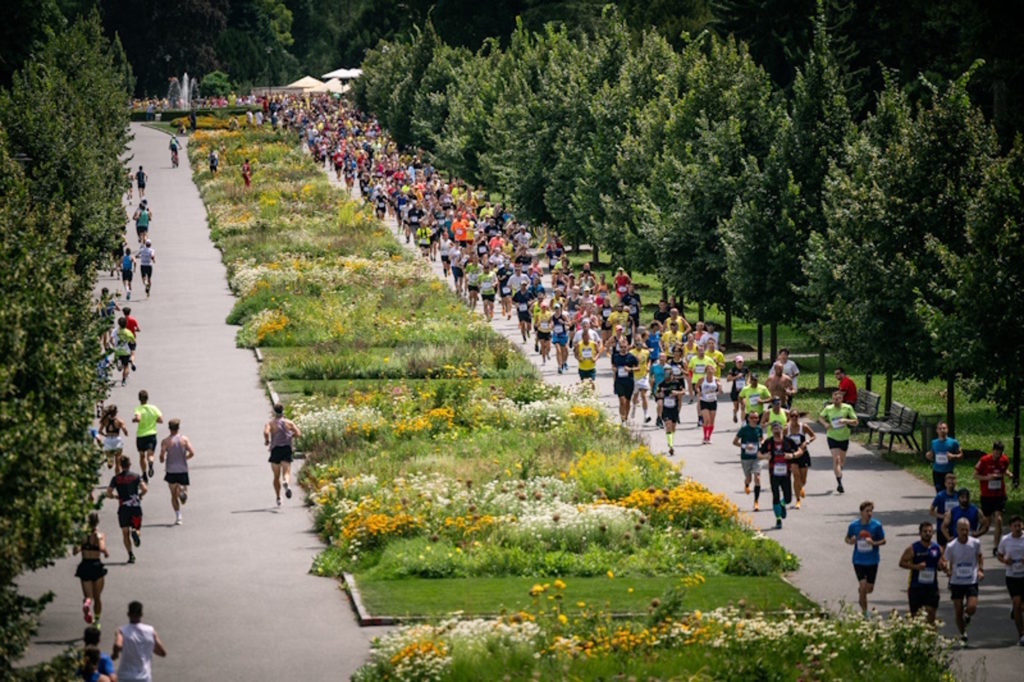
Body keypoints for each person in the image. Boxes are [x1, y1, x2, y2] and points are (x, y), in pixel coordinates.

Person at [945, 517, 984, 646]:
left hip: (971, 580)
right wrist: (947, 570)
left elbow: (979, 556)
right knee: (958, 610)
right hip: (956, 581)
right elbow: (945, 560)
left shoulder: (975, 543)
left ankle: (967, 616)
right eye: (962, 530)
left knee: (972, 607)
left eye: (966, 530)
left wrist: (980, 570)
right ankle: (963, 635)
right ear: (956, 530)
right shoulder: (951, 545)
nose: (964, 532)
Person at [899, 521, 944, 624]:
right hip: (916, 587)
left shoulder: (937, 548)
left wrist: (942, 566)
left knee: (931, 614)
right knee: (915, 618)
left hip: (932, 587)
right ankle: (918, 638)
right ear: (920, 533)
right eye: (925, 531)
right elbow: (901, 563)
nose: (927, 533)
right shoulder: (913, 548)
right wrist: (916, 567)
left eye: (930, 531)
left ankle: (930, 638)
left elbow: (941, 564)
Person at [845, 501, 885, 617]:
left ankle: (862, 593)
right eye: (867, 511)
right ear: (861, 512)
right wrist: (850, 541)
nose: (869, 513)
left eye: (871, 511)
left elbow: (883, 541)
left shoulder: (876, 525)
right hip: (858, 560)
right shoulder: (854, 525)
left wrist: (874, 543)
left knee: (869, 589)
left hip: (872, 560)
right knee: (863, 586)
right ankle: (865, 613)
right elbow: (846, 538)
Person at [106, 457, 146, 564]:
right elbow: (144, 489)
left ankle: (130, 555)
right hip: (135, 506)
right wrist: (140, 495)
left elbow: (108, 493)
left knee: (125, 533)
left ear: (120, 465)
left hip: (123, 508)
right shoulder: (136, 476)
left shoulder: (116, 479)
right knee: (136, 527)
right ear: (130, 464)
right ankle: (136, 532)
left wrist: (114, 497)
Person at [113, 601, 166, 682]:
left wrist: (115, 654)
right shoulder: (151, 631)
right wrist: (148, 648)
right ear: (141, 614)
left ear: (128, 614)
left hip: (125, 676)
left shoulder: (122, 630)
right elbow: (162, 652)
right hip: (144, 677)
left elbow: (118, 645)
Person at [759, 422, 799, 528]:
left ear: (782, 429)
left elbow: (800, 451)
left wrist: (792, 455)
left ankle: (782, 504)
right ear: (771, 431)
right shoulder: (768, 442)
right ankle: (778, 519)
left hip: (786, 474)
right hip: (774, 474)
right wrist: (765, 456)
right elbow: (758, 454)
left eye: (778, 428)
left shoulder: (788, 441)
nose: (776, 430)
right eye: (774, 429)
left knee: (788, 498)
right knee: (775, 496)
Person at [73, 511, 109, 626]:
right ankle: (97, 621)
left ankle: (87, 604)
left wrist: (83, 546)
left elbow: (75, 551)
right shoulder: (100, 535)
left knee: (88, 596)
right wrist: (106, 552)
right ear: (97, 522)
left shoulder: (81, 535)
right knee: (97, 597)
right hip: (96, 566)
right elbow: (102, 548)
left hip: (85, 565)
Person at [818, 390, 857, 494]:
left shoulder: (847, 408)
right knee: (836, 459)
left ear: (842, 399)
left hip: (844, 437)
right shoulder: (828, 408)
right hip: (832, 437)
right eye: (834, 398)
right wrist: (825, 424)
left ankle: (838, 472)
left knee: (841, 462)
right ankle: (839, 483)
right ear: (832, 399)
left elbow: (855, 422)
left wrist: (846, 421)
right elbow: (820, 417)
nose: (836, 400)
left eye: (838, 398)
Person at [975, 441, 1010, 555]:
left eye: (999, 453)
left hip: (999, 495)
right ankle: (972, 538)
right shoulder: (984, 460)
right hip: (986, 495)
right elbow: (975, 475)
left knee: (999, 520)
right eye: (995, 452)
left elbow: (1004, 470)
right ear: (992, 450)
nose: (997, 455)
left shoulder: (1004, 460)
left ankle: (996, 546)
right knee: (986, 524)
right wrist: (987, 478)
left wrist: (1009, 474)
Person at [159, 418, 195, 525]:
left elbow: (161, 457)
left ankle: (178, 516)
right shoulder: (184, 439)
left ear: (169, 428)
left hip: (171, 470)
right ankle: (182, 490)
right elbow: (192, 453)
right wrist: (185, 458)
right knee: (184, 498)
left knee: (173, 494)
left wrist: (163, 458)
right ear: (178, 428)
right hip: (182, 469)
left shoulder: (165, 441)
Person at [264, 403, 301, 506]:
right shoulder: (289, 423)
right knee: (286, 473)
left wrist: (267, 441)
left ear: (274, 412)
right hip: (286, 449)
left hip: (275, 450)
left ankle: (278, 497)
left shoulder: (270, 423)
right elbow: (298, 433)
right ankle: (287, 484)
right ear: (283, 411)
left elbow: (266, 432)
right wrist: (290, 436)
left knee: (276, 476)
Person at [996, 515, 1024, 646]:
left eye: (1020, 525)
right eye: (1015, 526)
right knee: (1017, 603)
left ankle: (1015, 609)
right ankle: (1022, 634)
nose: (1018, 528)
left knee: (1020, 606)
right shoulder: (1005, 540)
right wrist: (1005, 561)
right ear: (1010, 527)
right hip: (1012, 576)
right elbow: (999, 555)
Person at [784, 409, 816, 508]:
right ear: (789, 417)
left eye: (796, 416)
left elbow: (813, 436)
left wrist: (807, 442)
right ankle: (798, 500)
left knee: (803, 479)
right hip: (792, 455)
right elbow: (781, 439)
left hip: (803, 454)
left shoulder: (804, 427)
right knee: (796, 476)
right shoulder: (786, 428)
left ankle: (800, 487)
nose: (794, 418)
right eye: (792, 416)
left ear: (798, 417)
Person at [733, 411, 763, 510]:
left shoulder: (759, 429)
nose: (755, 420)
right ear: (748, 419)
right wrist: (745, 446)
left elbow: (761, 439)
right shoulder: (744, 430)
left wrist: (762, 443)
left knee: (757, 478)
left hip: (756, 457)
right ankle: (746, 484)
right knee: (749, 479)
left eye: (756, 418)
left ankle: (756, 502)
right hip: (746, 458)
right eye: (752, 418)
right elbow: (734, 442)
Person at [132, 391, 163, 483]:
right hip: (151, 434)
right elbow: (161, 420)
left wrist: (134, 419)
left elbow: (138, 418)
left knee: (142, 456)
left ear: (139, 399)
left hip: (141, 435)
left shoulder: (138, 408)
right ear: (147, 398)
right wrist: (153, 420)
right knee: (150, 454)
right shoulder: (153, 408)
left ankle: (144, 474)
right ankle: (150, 462)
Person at [924, 422, 962, 491]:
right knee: (939, 492)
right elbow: (932, 453)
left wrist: (953, 456)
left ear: (947, 430)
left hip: (948, 472)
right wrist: (928, 455)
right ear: (937, 430)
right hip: (937, 472)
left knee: (949, 491)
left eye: (944, 428)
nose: (942, 430)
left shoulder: (953, 442)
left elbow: (961, 455)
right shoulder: (934, 442)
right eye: (940, 429)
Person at [610, 337, 638, 426]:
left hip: (629, 381)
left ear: (627, 347)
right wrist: (614, 369)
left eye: (624, 347)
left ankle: (626, 417)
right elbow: (613, 366)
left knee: (627, 402)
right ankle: (622, 420)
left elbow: (638, 368)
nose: (623, 349)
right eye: (621, 347)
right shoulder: (615, 356)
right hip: (619, 381)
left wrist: (630, 369)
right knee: (622, 401)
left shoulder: (631, 357)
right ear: (619, 347)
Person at [929, 472, 960, 547]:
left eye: (952, 483)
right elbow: (931, 511)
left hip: (955, 527)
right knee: (942, 549)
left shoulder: (958, 495)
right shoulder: (940, 495)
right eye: (949, 483)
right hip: (942, 527)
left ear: (955, 483)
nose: (951, 485)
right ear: (945, 484)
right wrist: (942, 516)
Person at [99, 405, 128, 472]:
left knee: (110, 466)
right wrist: (126, 432)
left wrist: (105, 435)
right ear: (116, 412)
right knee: (118, 461)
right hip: (117, 440)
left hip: (108, 440)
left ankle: (109, 460)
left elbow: (100, 431)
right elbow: (125, 431)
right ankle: (118, 479)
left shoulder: (105, 420)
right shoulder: (119, 421)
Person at [698, 364, 722, 444]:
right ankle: (705, 437)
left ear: (714, 371)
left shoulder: (716, 380)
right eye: (708, 369)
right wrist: (699, 392)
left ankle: (709, 437)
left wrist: (719, 386)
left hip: (713, 401)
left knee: (712, 421)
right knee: (707, 419)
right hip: (704, 401)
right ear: (706, 371)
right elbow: (696, 386)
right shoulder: (702, 379)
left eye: (711, 369)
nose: (710, 370)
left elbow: (721, 392)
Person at [727, 355, 749, 424]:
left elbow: (748, 375)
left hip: (743, 391)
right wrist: (736, 377)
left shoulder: (745, 369)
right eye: (738, 362)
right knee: (737, 408)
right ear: (735, 363)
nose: (740, 364)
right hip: (735, 391)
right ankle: (735, 413)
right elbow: (728, 379)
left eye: (741, 362)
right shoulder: (732, 370)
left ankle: (743, 423)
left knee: (743, 406)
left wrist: (747, 382)